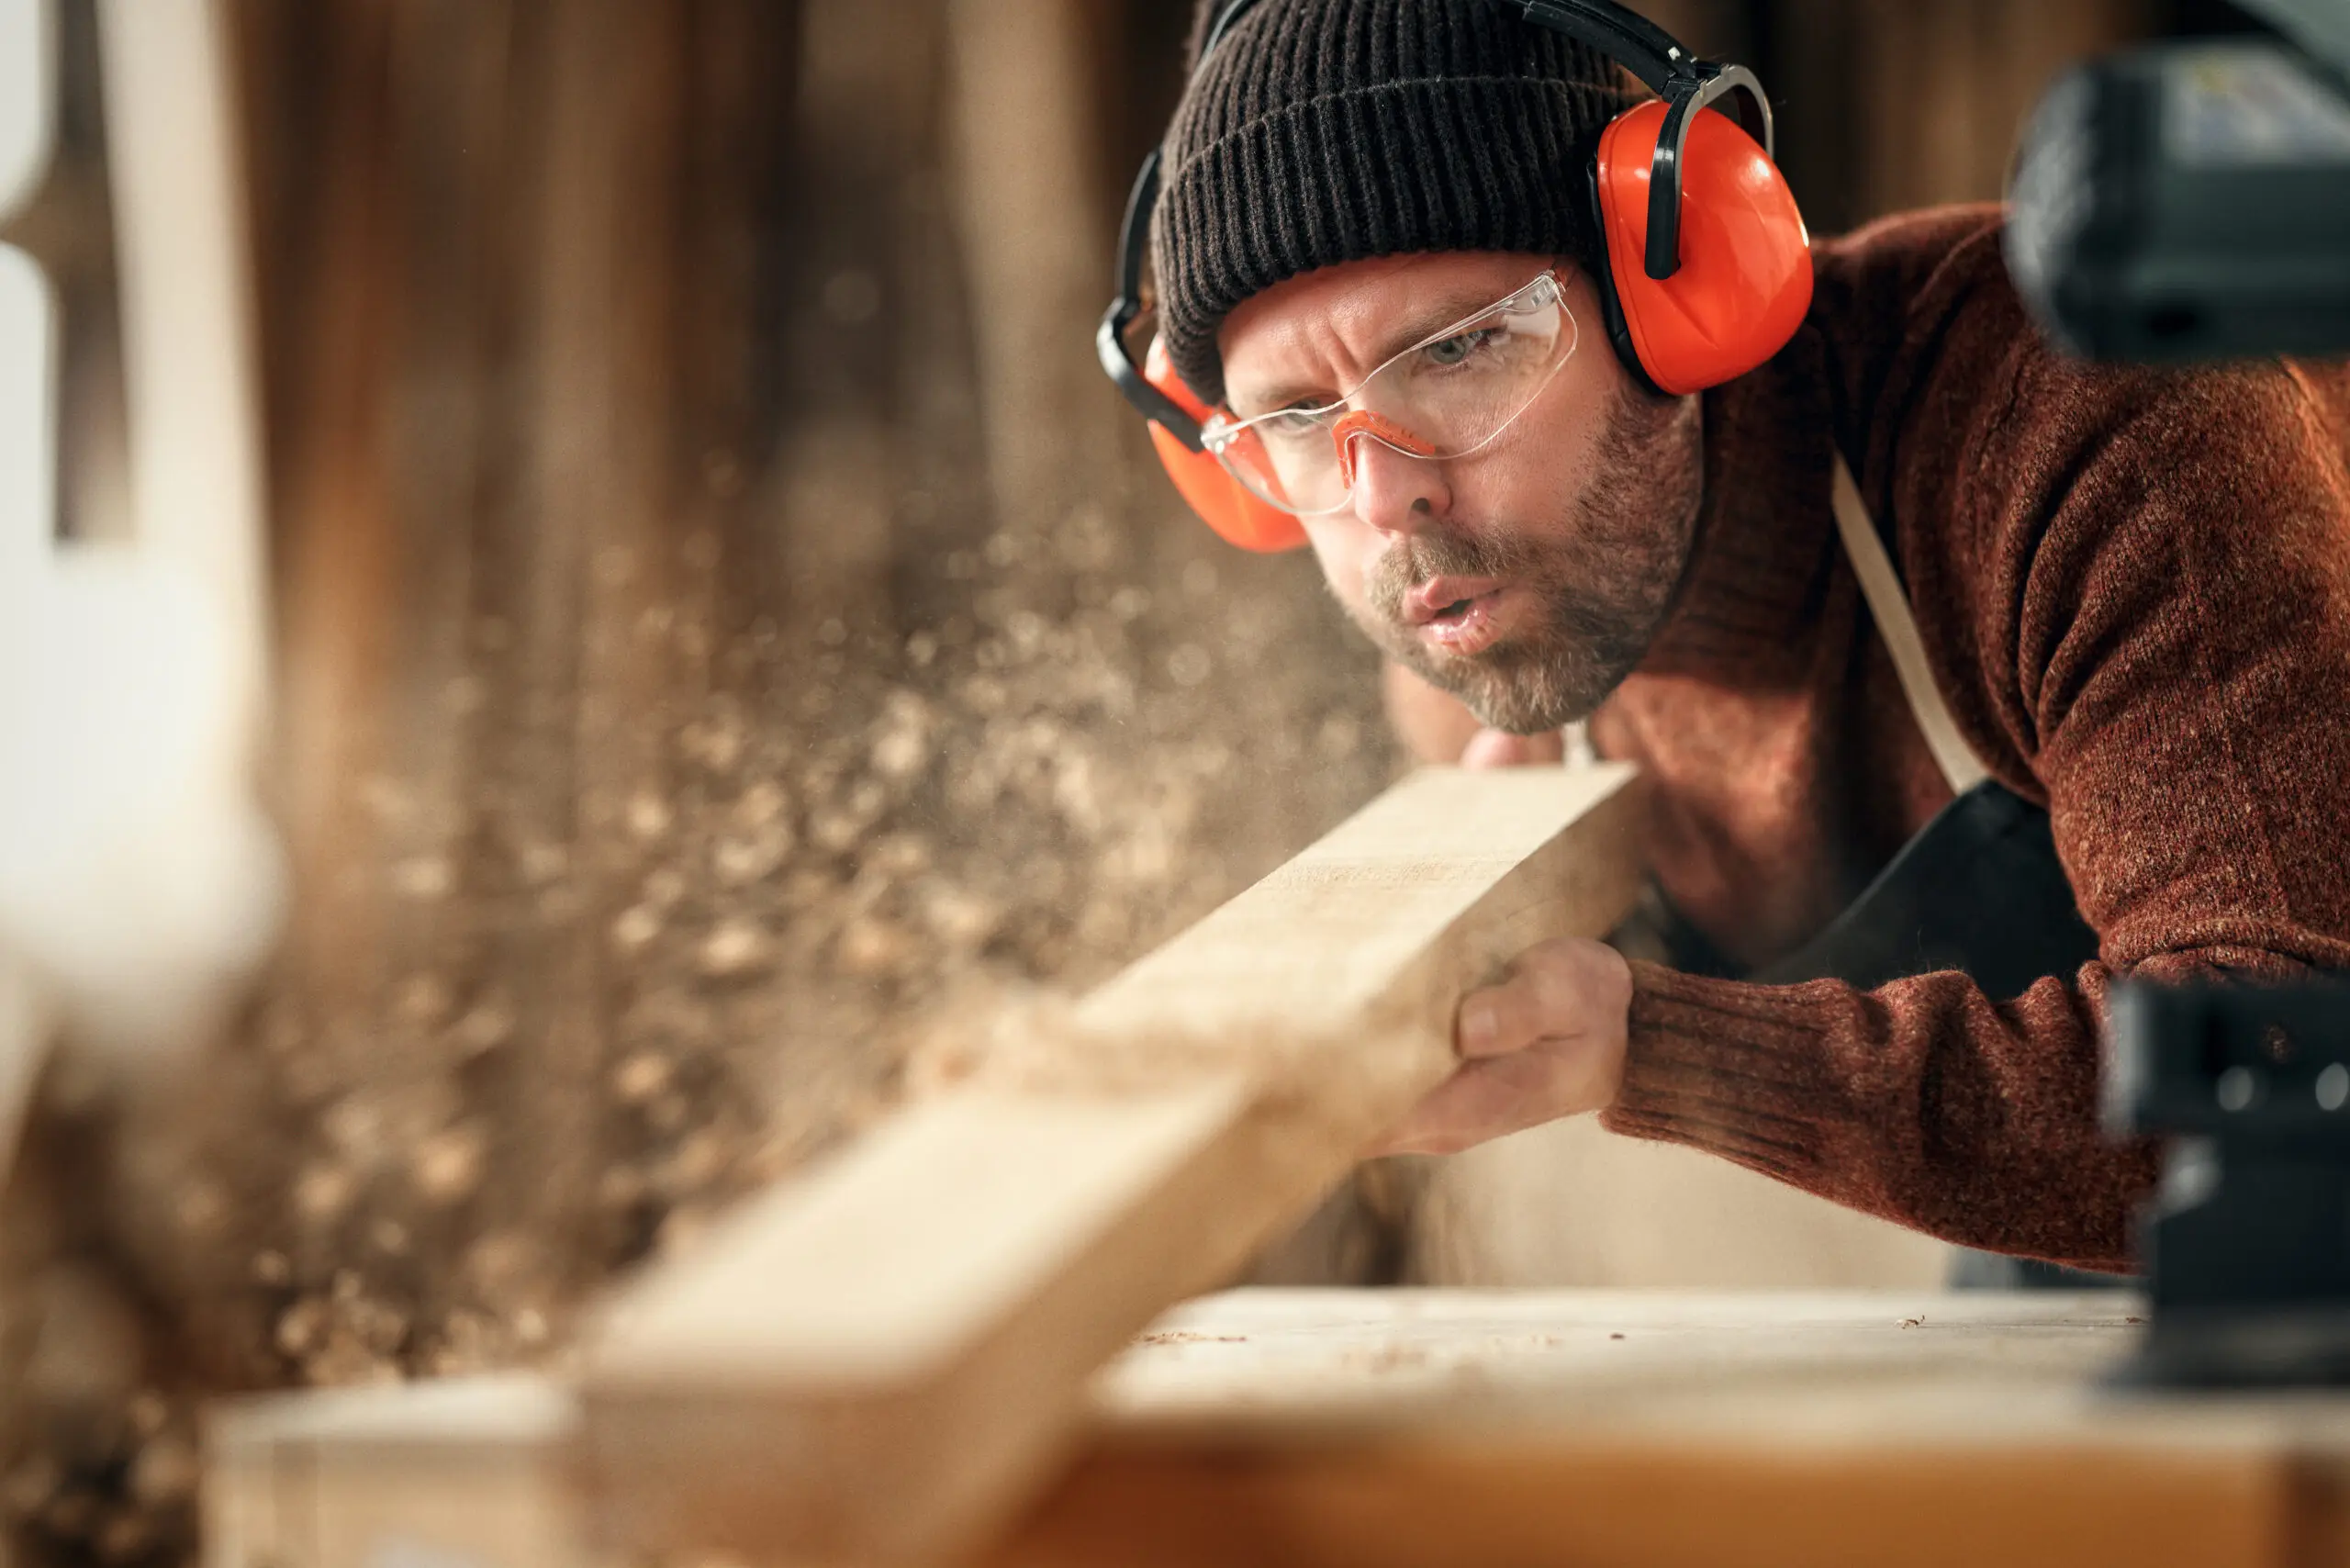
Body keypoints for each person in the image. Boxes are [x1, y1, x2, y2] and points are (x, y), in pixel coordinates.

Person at [1099, 0, 2350, 1275]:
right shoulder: (1468, 616)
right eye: (1297, 417)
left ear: (1680, 288)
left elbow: (2283, 1086)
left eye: (1463, 348)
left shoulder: (2077, 432)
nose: (1387, 499)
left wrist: (1652, 1045)